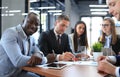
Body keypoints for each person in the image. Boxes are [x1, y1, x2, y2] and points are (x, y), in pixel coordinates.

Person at [0, 12, 47, 77]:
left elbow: (39, 53)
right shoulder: (10, 33)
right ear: (23, 21)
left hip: (20, 72)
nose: (33, 26)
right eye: (30, 22)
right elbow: (18, 61)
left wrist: (39, 54)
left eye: (36, 25)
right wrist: (43, 59)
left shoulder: (31, 38)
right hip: (7, 75)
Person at [97, 0, 120, 76]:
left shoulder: (118, 38)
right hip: (104, 65)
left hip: (113, 66)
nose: (103, 27)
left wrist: (114, 70)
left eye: (106, 25)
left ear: (112, 27)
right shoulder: (100, 39)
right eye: (102, 25)